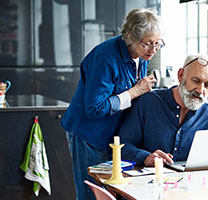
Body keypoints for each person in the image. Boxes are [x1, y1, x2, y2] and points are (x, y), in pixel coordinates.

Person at [60, 8, 163, 200]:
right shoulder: (105, 57)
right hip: (89, 134)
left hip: (113, 138)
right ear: (131, 36)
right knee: (92, 194)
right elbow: (95, 108)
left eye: (158, 43)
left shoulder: (142, 56)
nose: (153, 49)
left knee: (113, 193)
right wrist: (134, 92)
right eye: (148, 43)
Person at [119, 54, 208, 166]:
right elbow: (122, 146)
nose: (201, 90)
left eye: (207, 85)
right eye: (196, 80)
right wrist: (146, 157)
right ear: (180, 75)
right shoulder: (148, 103)